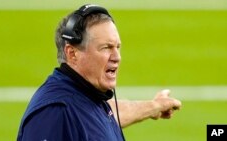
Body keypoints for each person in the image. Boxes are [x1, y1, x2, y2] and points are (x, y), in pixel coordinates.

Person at [17, 4, 182, 141]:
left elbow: (100, 119)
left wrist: (154, 107)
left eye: (117, 47)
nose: (117, 57)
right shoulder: (54, 113)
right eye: (106, 48)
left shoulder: (88, 96)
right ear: (72, 53)